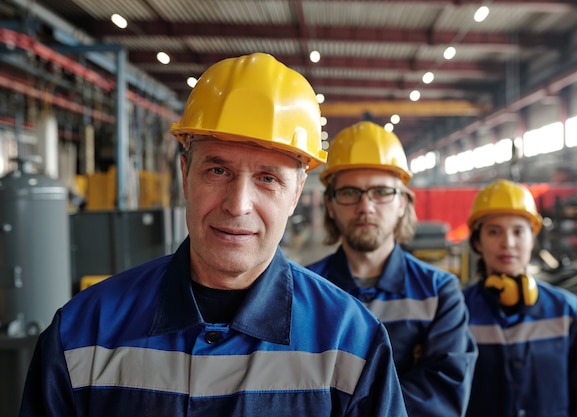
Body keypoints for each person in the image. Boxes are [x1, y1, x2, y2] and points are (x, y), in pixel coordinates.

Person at [19, 53, 408, 417]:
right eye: (217, 171)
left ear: (296, 194)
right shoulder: (82, 333)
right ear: (186, 175)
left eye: (268, 178)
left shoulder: (351, 342)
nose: (238, 205)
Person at [306, 121, 478, 416]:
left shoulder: (438, 294)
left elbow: (442, 397)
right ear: (330, 204)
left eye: (382, 192)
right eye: (349, 192)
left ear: (403, 203)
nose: (366, 207)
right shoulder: (303, 292)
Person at [463, 179, 577, 417]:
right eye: (494, 231)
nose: (507, 243)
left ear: (532, 239)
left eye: (518, 232)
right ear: (478, 241)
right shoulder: (458, 311)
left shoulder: (565, 310)